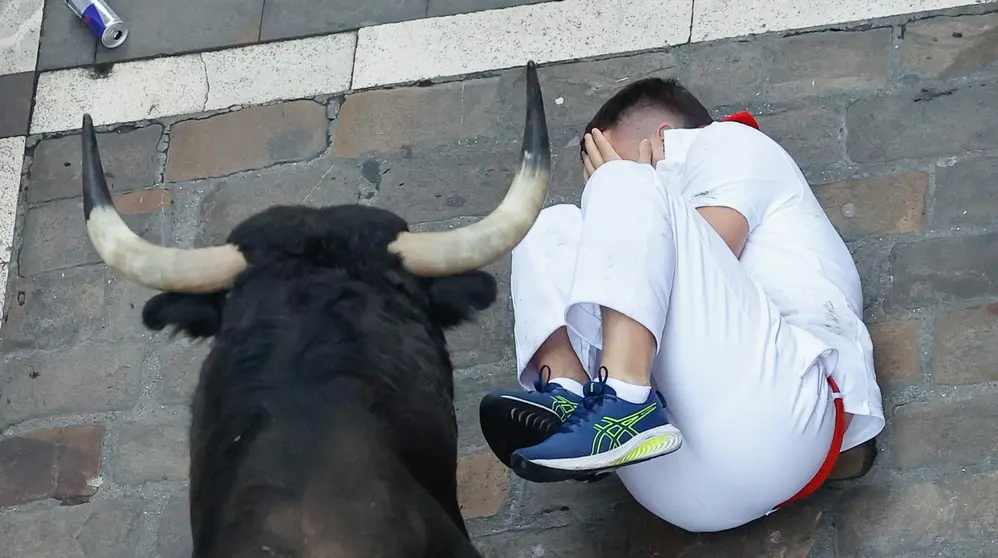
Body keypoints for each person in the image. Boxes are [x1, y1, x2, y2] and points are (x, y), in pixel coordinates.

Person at [478, 77, 885, 533]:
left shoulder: (732, 142)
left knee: (623, 184)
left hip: (782, 420)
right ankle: (570, 400)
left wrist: (625, 182)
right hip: (673, 484)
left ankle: (626, 398)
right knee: (548, 226)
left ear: (666, 137)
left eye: (608, 156)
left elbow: (711, 247)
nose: (602, 182)